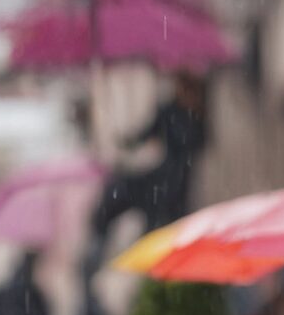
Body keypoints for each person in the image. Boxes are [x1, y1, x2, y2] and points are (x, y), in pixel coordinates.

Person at [89, 71, 210, 236]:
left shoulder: (197, 115)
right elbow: (147, 133)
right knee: (154, 218)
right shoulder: (169, 110)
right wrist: (126, 140)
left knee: (173, 220)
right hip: (165, 177)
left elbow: (201, 143)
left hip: (181, 179)